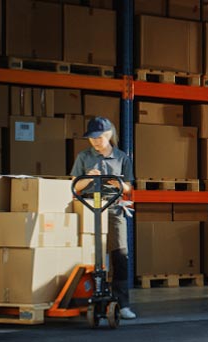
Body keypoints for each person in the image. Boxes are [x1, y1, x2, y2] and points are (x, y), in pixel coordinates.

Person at [71, 117, 138, 320]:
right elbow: (74, 187)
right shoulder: (83, 157)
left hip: (114, 207)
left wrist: (117, 184)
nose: (95, 142)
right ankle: (84, 299)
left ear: (109, 135)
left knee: (120, 255)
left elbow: (129, 189)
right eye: (91, 138)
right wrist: (87, 178)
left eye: (99, 137)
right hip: (89, 207)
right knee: (91, 256)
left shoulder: (122, 158)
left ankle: (122, 303)